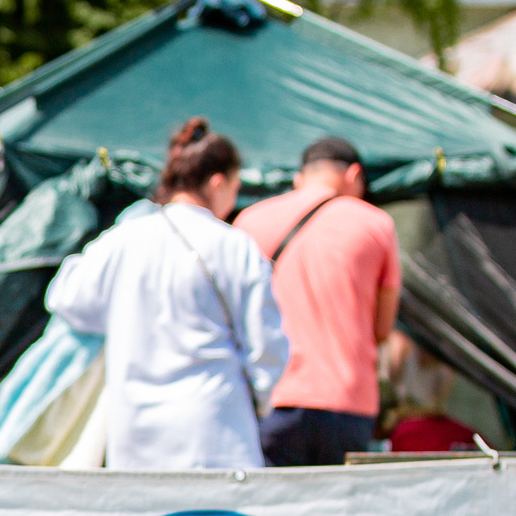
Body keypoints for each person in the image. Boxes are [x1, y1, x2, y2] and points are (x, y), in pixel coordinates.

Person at [45, 117, 289, 470]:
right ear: (218, 183)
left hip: (135, 427)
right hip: (215, 427)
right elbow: (266, 345)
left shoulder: (124, 239)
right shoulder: (235, 246)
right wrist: (261, 399)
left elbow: (65, 298)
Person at [234, 135, 402, 467]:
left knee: (274, 513)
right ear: (354, 176)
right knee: (338, 512)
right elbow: (383, 329)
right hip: (348, 401)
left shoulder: (249, 221)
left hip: (272, 396)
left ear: (299, 179)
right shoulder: (377, 224)